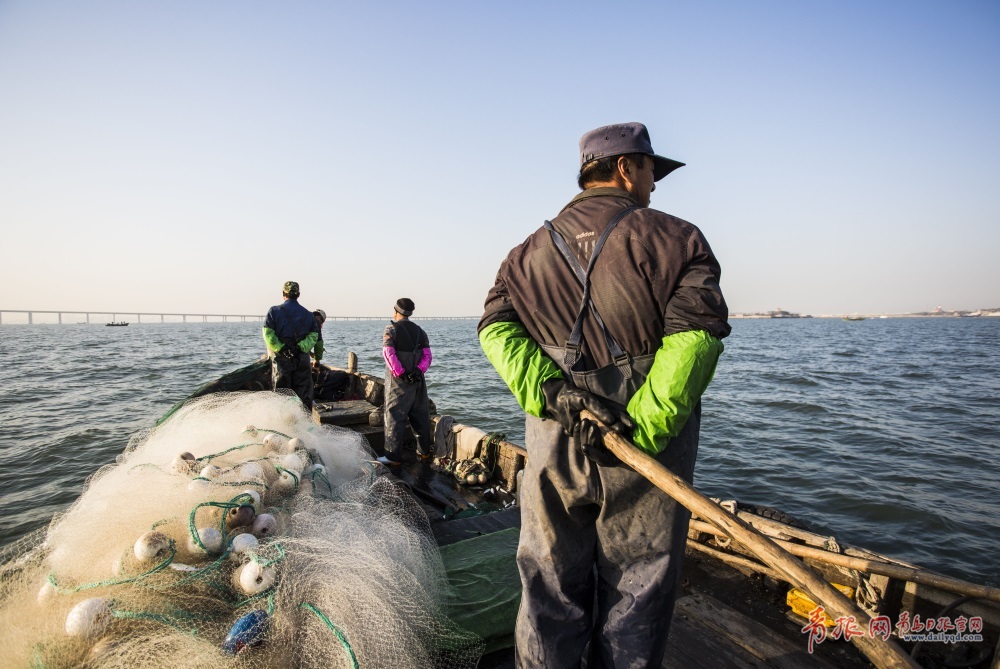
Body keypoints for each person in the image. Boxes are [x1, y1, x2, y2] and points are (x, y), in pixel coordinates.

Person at [477, 122, 730, 668]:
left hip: (555, 439)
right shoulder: (677, 238)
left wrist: (552, 392)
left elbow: (495, 331)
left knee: (548, 582)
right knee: (637, 590)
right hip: (642, 451)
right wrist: (637, 432)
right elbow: (696, 340)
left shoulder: (525, 253)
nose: (654, 186)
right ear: (623, 169)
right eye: (649, 171)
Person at [380, 298, 433, 466]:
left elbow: (389, 353)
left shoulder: (391, 329)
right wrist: (418, 371)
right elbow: (427, 356)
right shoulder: (420, 331)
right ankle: (424, 452)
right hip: (418, 380)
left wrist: (401, 374)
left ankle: (392, 456)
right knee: (420, 416)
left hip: (398, 382)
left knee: (394, 416)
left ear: (396, 311)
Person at [262, 281, 320, 411]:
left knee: (282, 394)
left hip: (282, 359)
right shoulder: (308, 314)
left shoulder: (274, 311)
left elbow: (268, 334)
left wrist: (282, 348)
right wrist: (300, 348)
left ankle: (284, 424)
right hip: (302, 359)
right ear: (298, 294)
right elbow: (314, 336)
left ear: (283, 294)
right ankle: (305, 423)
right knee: (304, 393)